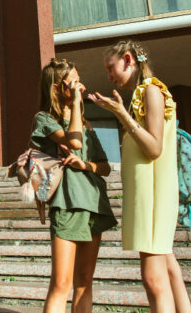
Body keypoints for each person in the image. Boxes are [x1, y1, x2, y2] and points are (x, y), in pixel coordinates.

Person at [88, 40, 191, 312]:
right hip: (150, 197)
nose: (109, 76)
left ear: (128, 59)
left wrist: (122, 114)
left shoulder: (152, 92)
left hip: (154, 199)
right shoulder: (143, 94)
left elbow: (154, 148)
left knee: (152, 278)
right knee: (168, 271)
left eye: (111, 68)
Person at [34, 58, 117, 313]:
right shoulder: (44, 119)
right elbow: (75, 144)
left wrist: (85, 167)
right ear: (58, 88)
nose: (81, 87)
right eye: (75, 82)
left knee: (84, 282)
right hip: (67, 203)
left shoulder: (86, 125)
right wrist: (77, 104)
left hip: (93, 202)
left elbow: (104, 167)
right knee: (61, 283)